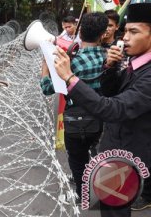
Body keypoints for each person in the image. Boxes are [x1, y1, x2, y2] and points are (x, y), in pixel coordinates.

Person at [54, 2, 151, 217]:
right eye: (125, 31)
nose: (125, 38)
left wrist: (70, 78)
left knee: (115, 212)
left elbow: (113, 108)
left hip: (128, 159)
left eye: (134, 32)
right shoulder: (135, 63)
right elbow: (110, 93)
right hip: (114, 151)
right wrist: (109, 67)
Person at [40, 12, 108, 202]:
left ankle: (83, 194)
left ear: (80, 31)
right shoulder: (109, 57)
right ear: (103, 34)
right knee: (95, 154)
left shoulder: (71, 62)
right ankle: (97, 186)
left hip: (75, 122)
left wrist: (45, 66)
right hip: (100, 118)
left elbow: (47, 88)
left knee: (78, 160)